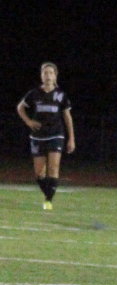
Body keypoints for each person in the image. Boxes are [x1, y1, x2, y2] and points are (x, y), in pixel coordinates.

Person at [16, 62, 75, 210]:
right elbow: (20, 108)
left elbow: (67, 117)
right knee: (39, 173)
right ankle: (48, 193)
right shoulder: (34, 93)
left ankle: (48, 200)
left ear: (55, 76)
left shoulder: (61, 95)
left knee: (53, 168)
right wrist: (28, 121)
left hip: (56, 135)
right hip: (38, 136)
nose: (48, 76)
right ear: (41, 76)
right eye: (45, 73)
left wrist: (72, 138)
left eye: (51, 73)